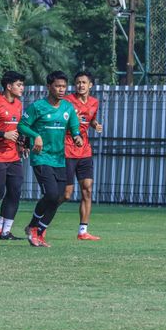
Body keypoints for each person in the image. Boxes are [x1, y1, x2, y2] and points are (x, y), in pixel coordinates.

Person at [18, 71, 83, 247]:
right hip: (41, 157)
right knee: (52, 194)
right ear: (49, 87)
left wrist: (77, 137)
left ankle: (38, 232)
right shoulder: (37, 107)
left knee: (59, 197)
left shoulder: (68, 108)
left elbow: (74, 128)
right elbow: (22, 125)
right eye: (57, 86)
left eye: (64, 86)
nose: (61, 90)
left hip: (59, 158)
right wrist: (35, 136)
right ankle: (33, 227)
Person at [60, 71, 103, 240]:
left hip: (85, 151)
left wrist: (95, 125)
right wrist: (70, 120)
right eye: (78, 82)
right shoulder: (67, 102)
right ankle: (42, 222)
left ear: (90, 85)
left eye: (84, 82)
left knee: (87, 189)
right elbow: (59, 120)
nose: (81, 85)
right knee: (66, 194)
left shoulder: (94, 102)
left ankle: (83, 231)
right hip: (68, 150)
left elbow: (90, 119)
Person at [0, 71, 26, 240]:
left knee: (15, 192)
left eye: (22, 85)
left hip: (13, 156)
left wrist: (22, 144)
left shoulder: (18, 104)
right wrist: (3, 135)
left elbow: (17, 129)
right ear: (9, 86)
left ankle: (5, 231)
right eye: (19, 85)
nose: (22, 88)